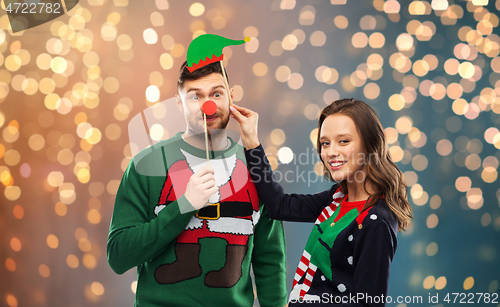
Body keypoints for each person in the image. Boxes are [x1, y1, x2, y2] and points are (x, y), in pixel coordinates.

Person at [107, 61, 287, 307]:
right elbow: (118, 256)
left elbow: (270, 260)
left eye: (216, 94)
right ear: (179, 103)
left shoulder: (256, 167)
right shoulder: (146, 165)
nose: (208, 105)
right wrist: (183, 206)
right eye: (195, 97)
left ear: (231, 97)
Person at [230, 98, 413, 306]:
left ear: (370, 145)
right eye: (325, 143)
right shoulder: (337, 199)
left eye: (343, 141)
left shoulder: (375, 222)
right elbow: (279, 206)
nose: (331, 152)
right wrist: (251, 139)